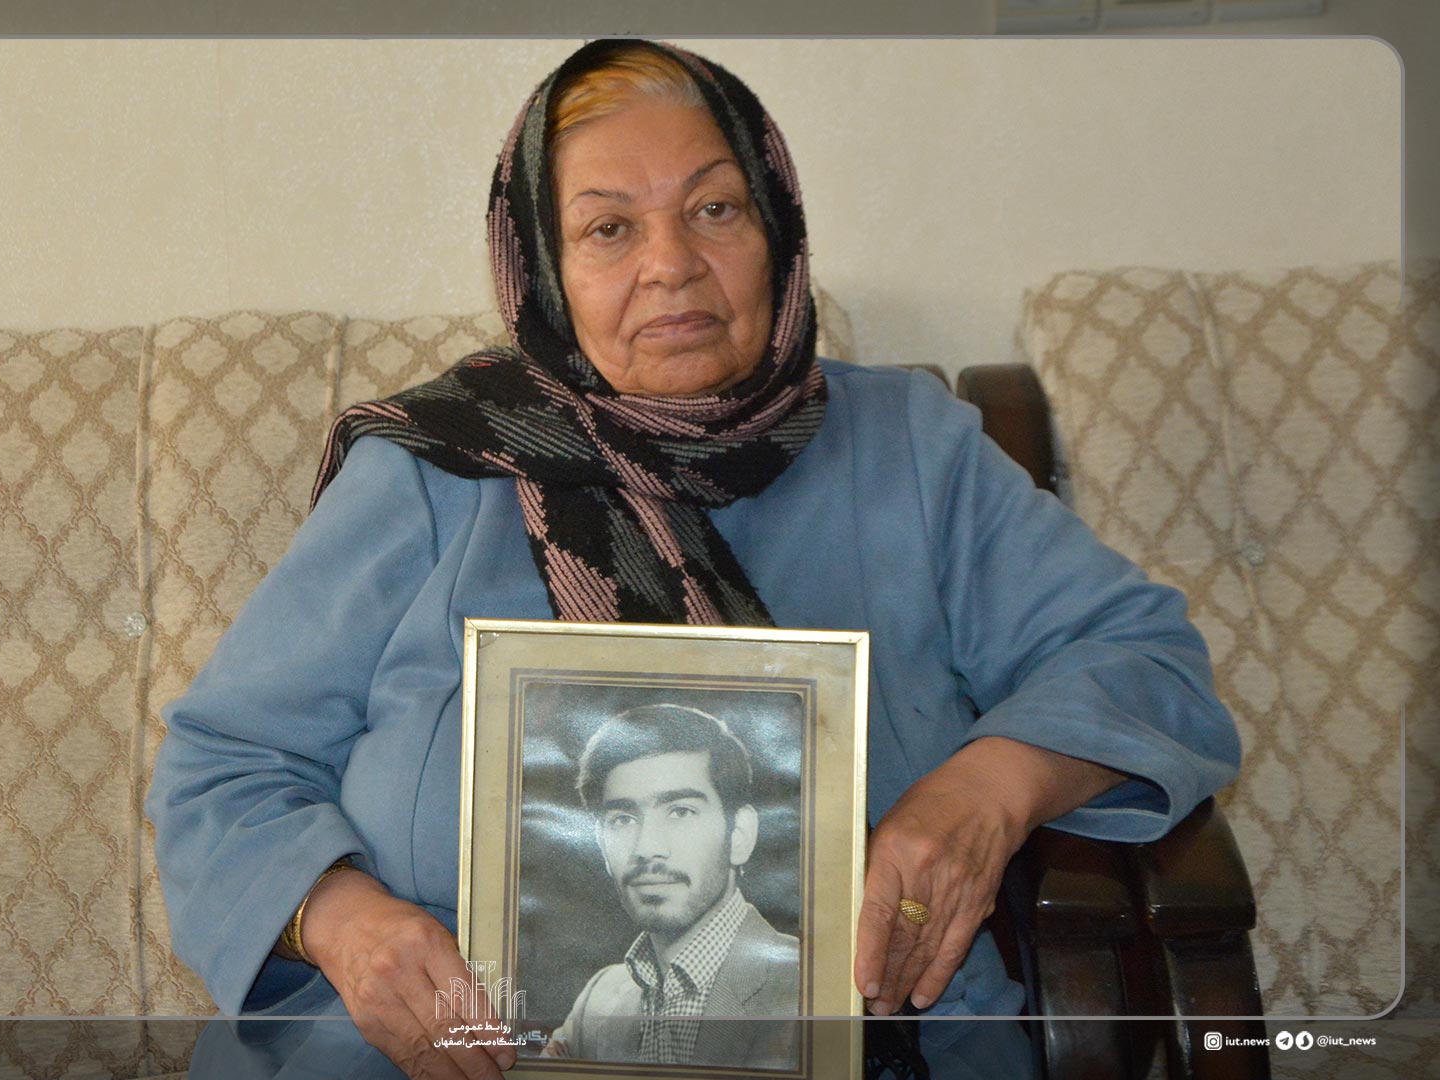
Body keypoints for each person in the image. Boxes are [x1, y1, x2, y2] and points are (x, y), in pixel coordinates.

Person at [147, 37, 1239, 1080]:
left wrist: (985, 794)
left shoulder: (909, 451)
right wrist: (343, 923)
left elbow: (1144, 659)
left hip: (875, 1038)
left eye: (715, 210)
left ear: (778, 231)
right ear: (543, 268)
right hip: (432, 1053)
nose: (672, 265)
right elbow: (225, 769)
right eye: (609, 228)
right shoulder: (434, 467)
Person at [541, 703, 801, 1069]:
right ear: (600, 843)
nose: (647, 848)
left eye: (680, 812)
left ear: (739, 835)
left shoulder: (809, 985)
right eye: (623, 819)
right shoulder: (599, 998)